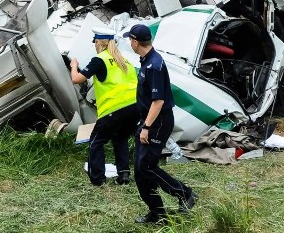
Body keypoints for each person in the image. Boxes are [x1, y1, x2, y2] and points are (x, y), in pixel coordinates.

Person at [125, 23, 197, 224]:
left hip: (157, 122)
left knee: (146, 166)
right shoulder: (146, 61)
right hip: (146, 121)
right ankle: (156, 213)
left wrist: (146, 127)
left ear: (135, 41)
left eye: (130, 40)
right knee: (140, 170)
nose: (129, 43)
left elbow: (158, 101)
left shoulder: (155, 65)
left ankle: (184, 193)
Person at [70, 27, 139, 186]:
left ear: (99, 42)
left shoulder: (100, 59)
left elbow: (76, 79)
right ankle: (123, 175)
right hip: (134, 106)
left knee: (96, 141)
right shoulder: (124, 60)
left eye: (94, 42)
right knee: (120, 137)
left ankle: (98, 179)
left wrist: (74, 65)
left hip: (114, 107)